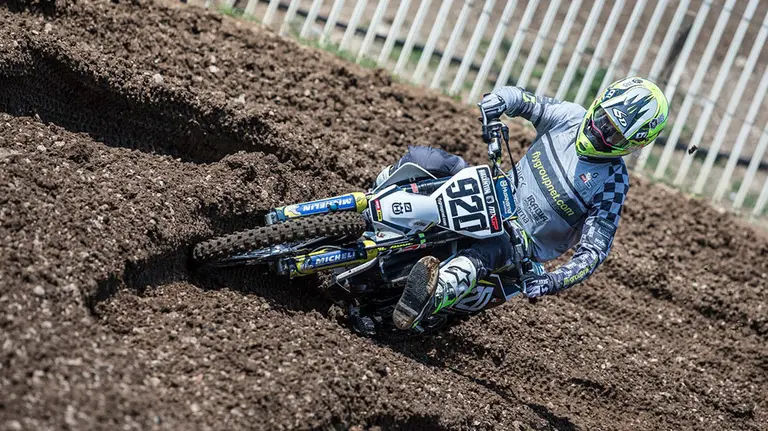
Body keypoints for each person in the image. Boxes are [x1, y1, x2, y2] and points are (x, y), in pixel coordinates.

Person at [386, 77, 669, 330]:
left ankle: (427, 297)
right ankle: (369, 204)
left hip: (518, 244)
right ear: (598, 104)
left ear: (634, 144)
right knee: (428, 161)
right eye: (602, 120)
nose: (600, 133)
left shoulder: (613, 182)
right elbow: (522, 99)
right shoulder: (570, 117)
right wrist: (498, 101)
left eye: (614, 134)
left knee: (486, 253)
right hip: (492, 193)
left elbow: (594, 251)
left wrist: (553, 281)